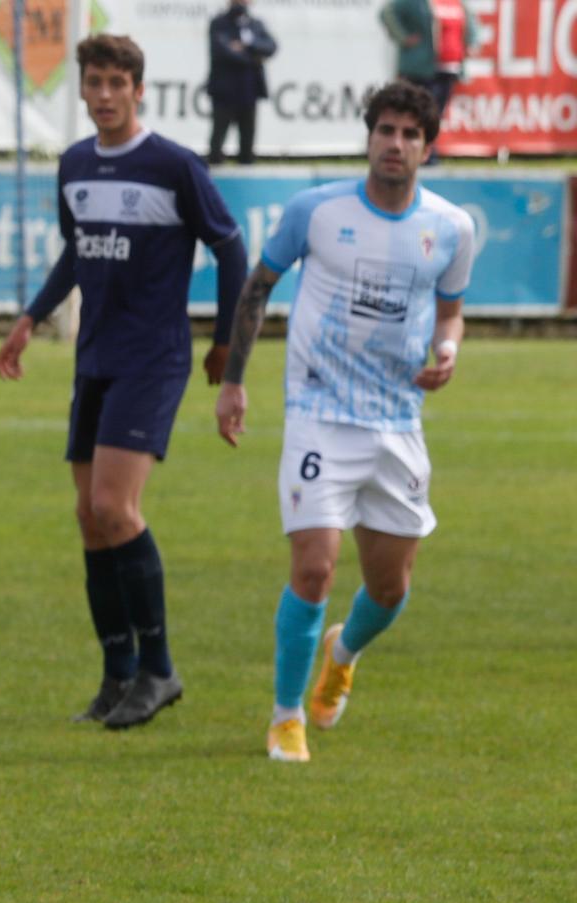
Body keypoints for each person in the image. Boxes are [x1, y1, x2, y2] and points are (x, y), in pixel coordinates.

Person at [0, 34, 249, 729]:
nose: (104, 95)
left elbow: (230, 246)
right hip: (95, 357)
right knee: (89, 518)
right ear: (81, 88)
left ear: (139, 89)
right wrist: (31, 317)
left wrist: (226, 340)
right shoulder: (76, 164)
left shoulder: (173, 166)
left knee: (113, 507)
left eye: (117, 83)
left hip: (153, 358)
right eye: (94, 82)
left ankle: (160, 667)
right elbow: (76, 253)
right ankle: (117, 674)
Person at [215, 81, 472, 763]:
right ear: (369, 137)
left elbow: (451, 311)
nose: (395, 144)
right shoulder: (316, 211)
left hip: (396, 421)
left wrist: (448, 350)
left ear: (427, 145)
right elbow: (257, 287)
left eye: (410, 134)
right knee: (315, 569)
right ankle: (286, 714)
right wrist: (234, 382)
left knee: (389, 588)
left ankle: (345, 650)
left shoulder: (450, 227)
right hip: (318, 412)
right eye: (385, 130)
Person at [381, 0, 477, 151]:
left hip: (449, 67)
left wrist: (471, 43)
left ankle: (427, 150)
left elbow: (471, 23)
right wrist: (403, 37)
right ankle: (413, 150)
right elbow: (387, 13)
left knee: (436, 114)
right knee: (417, 113)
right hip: (420, 69)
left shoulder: (457, 3)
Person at [207, 0, 278, 164]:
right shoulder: (219, 23)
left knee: (247, 141)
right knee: (218, 140)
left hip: (249, 92)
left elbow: (271, 46)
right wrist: (255, 59)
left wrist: (247, 44)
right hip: (224, 92)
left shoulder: (255, 24)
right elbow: (223, 51)